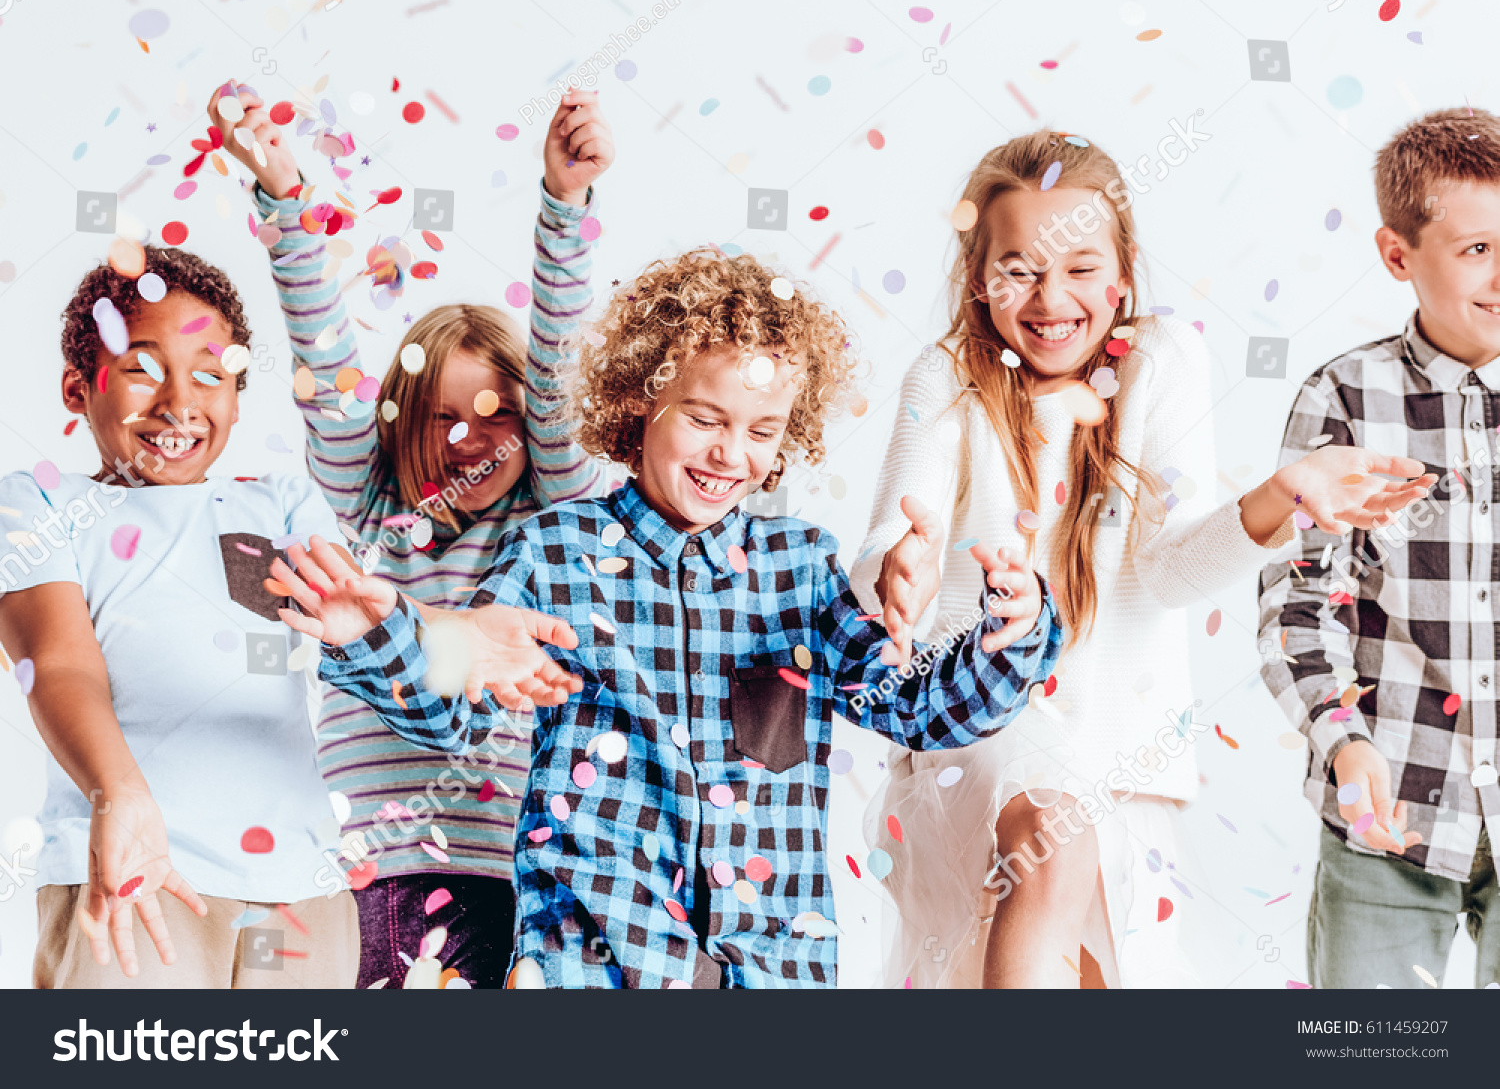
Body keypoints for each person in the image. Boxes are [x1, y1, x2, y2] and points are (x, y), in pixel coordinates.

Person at [274, 249, 1065, 987]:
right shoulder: (554, 553)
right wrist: (373, 633)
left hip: (773, 967)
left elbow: (917, 706)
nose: (731, 453)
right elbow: (458, 709)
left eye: (761, 430)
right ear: (639, 399)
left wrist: (1011, 626)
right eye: (704, 418)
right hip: (594, 960)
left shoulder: (802, 571)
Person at [851, 129, 1436, 988]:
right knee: (1051, 846)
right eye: (1019, 268)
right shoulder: (946, 377)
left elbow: (1165, 570)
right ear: (980, 279)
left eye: (1081, 267)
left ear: (1122, 274)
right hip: (982, 739)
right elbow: (895, 535)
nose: (1052, 297)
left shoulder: (1163, 361)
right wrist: (903, 565)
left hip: (1122, 763)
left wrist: (1284, 493)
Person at [208, 78, 614, 988]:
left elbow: (557, 375)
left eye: (496, 413)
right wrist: (284, 198)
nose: (472, 440)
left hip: (513, 875)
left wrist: (566, 204)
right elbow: (325, 358)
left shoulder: (552, 524)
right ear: (398, 427)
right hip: (372, 875)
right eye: (441, 417)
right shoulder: (371, 509)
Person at [0, 247, 361, 987]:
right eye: (141, 367)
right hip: (129, 870)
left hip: (299, 890)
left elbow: (359, 625)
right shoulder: (37, 504)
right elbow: (59, 662)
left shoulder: (280, 503)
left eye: (210, 372)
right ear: (77, 386)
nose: (179, 401)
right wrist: (120, 794)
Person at [1261, 107, 1500, 989]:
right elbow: (1299, 604)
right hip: (1390, 814)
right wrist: (1343, 738)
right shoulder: (1344, 397)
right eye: (1477, 249)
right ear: (1399, 256)